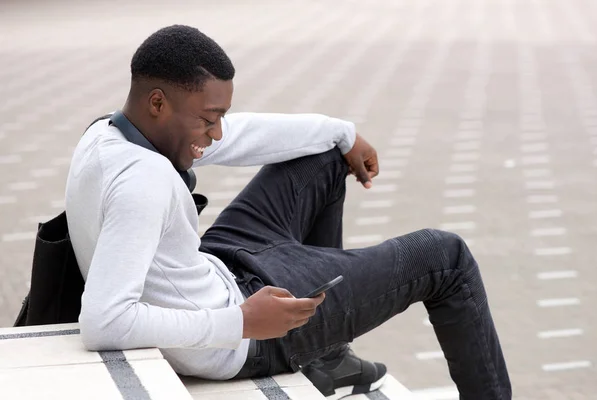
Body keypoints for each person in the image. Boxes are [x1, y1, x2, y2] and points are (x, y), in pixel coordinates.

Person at [65, 24, 511, 399]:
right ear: (158, 103)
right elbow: (105, 322)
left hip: (215, 272)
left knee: (322, 154)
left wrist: (343, 135)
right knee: (445, 257)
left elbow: (242, 135)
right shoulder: (143, 181)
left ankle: (329, 355)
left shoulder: (113, 134)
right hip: (239, 338)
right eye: (208, 119)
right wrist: (241, 322)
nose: (217, 134)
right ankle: (315, 347)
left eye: (220, 116)